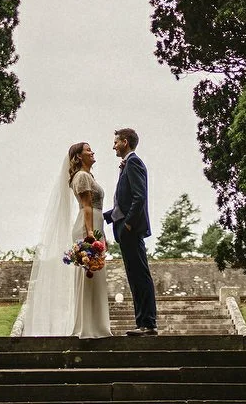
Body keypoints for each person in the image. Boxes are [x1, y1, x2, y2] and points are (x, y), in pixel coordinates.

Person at [12, 141, 112, 338]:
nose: (92, 152)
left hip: (95, 225)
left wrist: (103, 234)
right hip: (87, 227)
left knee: (95, 276)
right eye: (88, 150)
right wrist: (90, 234)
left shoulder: (87, 176)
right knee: (88, 275)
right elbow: (86, 207)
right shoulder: (82, 176)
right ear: (78, 157)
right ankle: (86, 328)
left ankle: (96, 326)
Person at [105, 127, 157, 335]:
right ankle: (142, 323)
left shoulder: (133, 162)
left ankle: (148, 323)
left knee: (140, 275)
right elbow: (124, 201)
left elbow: (139, 196)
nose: (113, 146)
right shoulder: (126, 165)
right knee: (134, 276)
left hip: (131, 230)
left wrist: (127, 224)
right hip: (125, 229)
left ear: (125, 142)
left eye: (116, 142)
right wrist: (104, 215)